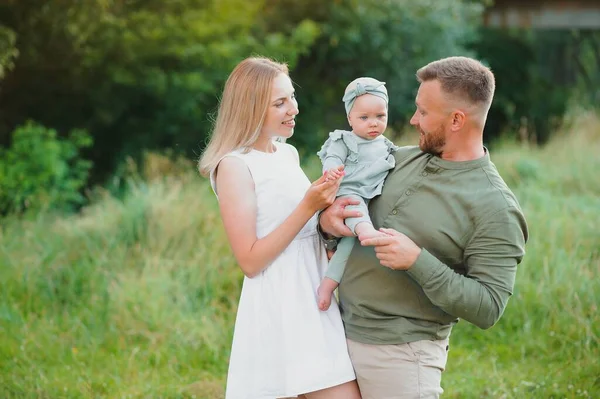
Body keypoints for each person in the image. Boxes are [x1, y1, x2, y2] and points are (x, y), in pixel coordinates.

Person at [318, 56, 529, 398]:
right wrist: (329, 222)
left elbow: (489, 306)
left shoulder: (496, 208)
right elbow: (342, 209)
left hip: (401, 356)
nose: (413, 120)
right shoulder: (393, 158)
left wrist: (417, 260)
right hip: (333, 334)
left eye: (423, 112)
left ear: (457, 119)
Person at [198, 57, 361, 399]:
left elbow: (302, 228)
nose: (294, 109)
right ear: (251, 108)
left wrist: (327, 214)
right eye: (280, 102)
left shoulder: (286, 154)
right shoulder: (234, 166)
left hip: (314, 290)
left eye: (292, 97)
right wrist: (309, 205)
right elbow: (251, 261)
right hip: (280, 302)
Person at [315, 77, 398, 311]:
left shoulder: (386, 145)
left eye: (380, 116)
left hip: (371, 196)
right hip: (348, 192)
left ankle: (328, 286)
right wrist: (331, 169)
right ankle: (366, 231)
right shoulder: (345, 139)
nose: (373, 124)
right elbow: (332, 157)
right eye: (364, 118)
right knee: (355, 209)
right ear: (350, 117)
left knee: (346, 247)